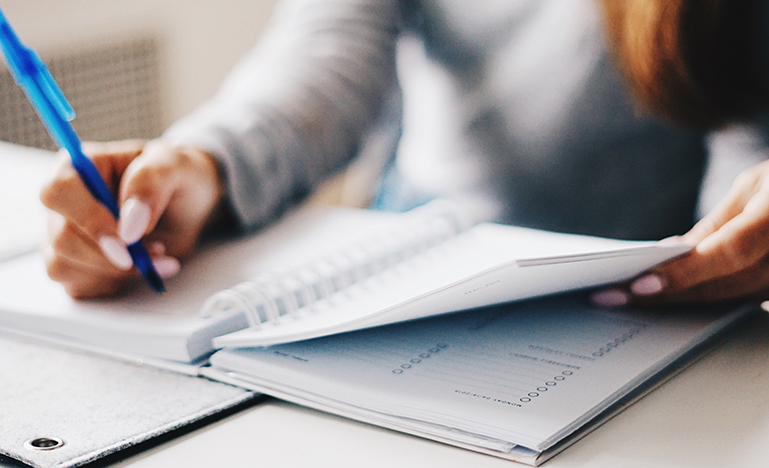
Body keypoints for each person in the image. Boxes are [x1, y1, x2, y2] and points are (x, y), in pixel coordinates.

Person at [39, 0, 769, 304]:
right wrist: (202, 166)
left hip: (634, 309)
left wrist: (739, 241)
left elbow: (748, 128)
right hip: (405, 282)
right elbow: (326, 59)